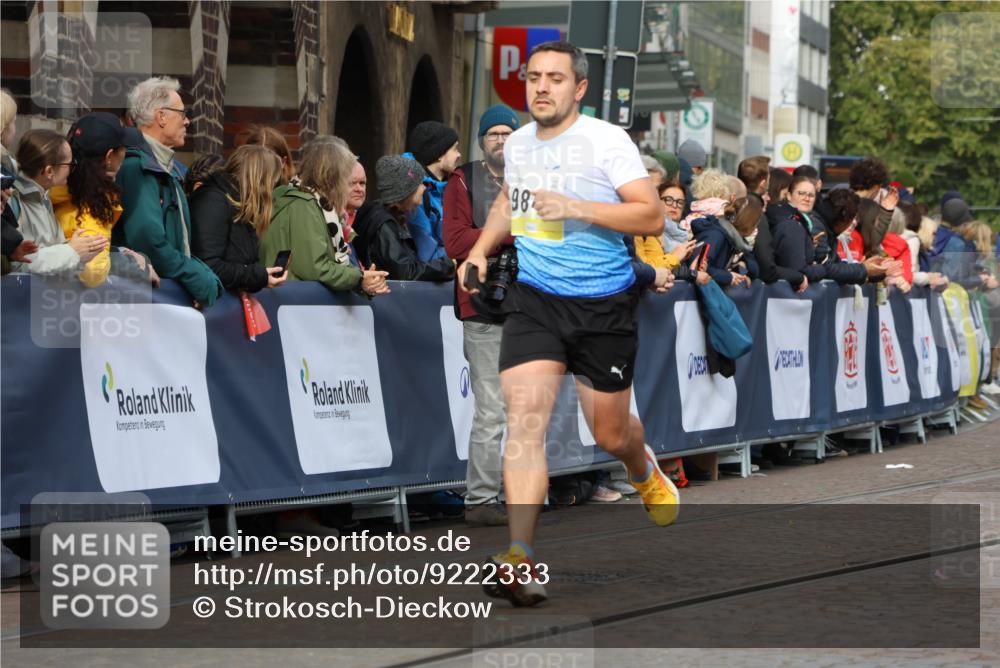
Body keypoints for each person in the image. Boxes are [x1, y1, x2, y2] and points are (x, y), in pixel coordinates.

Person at [458, 40, 679, 607]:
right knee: (524, 419)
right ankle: (521, 555)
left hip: (603, 304)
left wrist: (578, 207)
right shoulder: (523, 143)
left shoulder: (608, 141)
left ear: (579, 88)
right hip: (536, 299)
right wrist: (481, 248)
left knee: (610, 432)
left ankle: (640, 463)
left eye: (555, 78)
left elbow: (650, 214)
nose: (541, 87)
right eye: (534, 77)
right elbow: (511, 199)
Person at [443, 103, 519, 527]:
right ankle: (481, 499)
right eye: (494, 134)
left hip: (530, 307)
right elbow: (455, 241)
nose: (502, 140)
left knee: (525, 408)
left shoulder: (535, 180)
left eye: (509, 134)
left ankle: (518, 493)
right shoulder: (463, 180)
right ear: (481, 141)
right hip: (482, 305)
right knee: (491, 409)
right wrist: (508, 233)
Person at [116, 76, 223, 307]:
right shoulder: (138, 167)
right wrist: (195, 277)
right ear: (161, 116)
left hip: (161, 299)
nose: (187, 121)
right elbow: (149, 241)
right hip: (143, 303)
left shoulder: (167, 168)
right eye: (182, 114)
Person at [260, 135, 389, 296]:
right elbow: (315, 267)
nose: (349, 185)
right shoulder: (304, 206)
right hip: (294, 305)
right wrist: (359, 277)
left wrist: (364, 281)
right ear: (334, 177)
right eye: (347, 178)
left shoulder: (314, 204)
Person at [52, 112, 158, 287]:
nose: (125, 153)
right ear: (109, 156)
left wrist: (118, 252)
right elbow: (92, 273)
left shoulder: (56, 187)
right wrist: (131, 265)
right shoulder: (93, 206)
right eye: (123, 148)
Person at [190, 144, 288, 292]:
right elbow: (208, 266)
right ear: (261, 181)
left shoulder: (240, 207)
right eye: (272, 182)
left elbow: (240, 262)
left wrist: (261, 277)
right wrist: (257, 275)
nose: (272, 189)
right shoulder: (213, 201)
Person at [10, 129, 107, 274]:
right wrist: (71, 251)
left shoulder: (43, 197)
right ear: (49, 171)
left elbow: (53, 252)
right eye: (69, 164)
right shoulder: (12, 200)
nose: (71, 170)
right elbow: (19, 264)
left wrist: (82, 251)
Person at [353, 155, 456, 282]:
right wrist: (447, 266)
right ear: (406, 191)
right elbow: (406, 272)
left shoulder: (392, 216)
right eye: (420, 184)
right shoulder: (385, 225)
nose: (424, 188)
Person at [738, 155, 805, 290]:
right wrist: (798, 277)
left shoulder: (734, 206)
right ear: (763, 183)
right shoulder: (756, 213)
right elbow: (767, 268)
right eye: (769, 178)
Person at [405, 120, 461, 262]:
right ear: (439, 154)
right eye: (455, 149)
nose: (459, 155)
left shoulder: (445, 188)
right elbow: (427, 254)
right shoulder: (415, 192)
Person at [690, 196, 761, 287]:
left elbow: (754, 269)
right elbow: (699, 268)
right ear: (749, 224)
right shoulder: (716, 235)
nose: (756, 228)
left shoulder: (733, 240)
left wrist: (741, 268)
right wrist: (729, 277)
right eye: (756, 224)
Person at [770, 175, 825, 293]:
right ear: (789, 195)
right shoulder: (791, 224)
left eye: (811, 195)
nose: (807, 198)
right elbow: (798, 269)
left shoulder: (799, 221)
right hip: (785, 295)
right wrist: (822, 269)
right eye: (801, 193)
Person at [658, 181, 690, 253]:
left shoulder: (685, 235)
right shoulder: (650, 234)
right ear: (657, 201)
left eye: (680, 202)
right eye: (668, 200)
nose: (674, 205)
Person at [343, 161, 367, 237]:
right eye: (353, 183)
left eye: (362, 183)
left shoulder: (367, 220)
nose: (359, 189)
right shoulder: (327, 219)